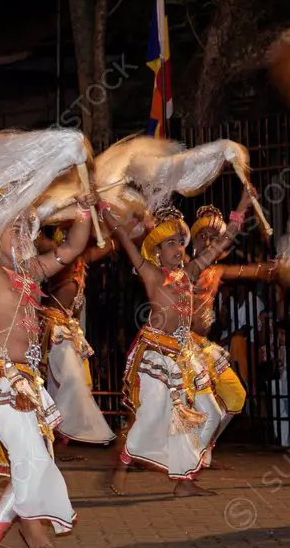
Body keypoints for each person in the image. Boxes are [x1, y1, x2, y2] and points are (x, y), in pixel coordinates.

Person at [0, 189, 95, 548]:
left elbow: (74, 246)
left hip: (26, 379)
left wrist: (81, 209)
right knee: (33, 459)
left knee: (36, 458)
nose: (22, 236)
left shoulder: (32, 272)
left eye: (25, 230)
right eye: (12, 229)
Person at [104, 187, 252, 497]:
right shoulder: (151, 274)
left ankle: (184, 479)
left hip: (185, 355)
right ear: (157, 250)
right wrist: (103, 208)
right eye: (170, 243)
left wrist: (243, 203)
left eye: (180, 243)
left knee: (210, 412)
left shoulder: (190, 273)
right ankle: (121, 465)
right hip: (157, 352)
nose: (177, 248)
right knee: (150, 415)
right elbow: (121, 237)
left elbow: (226, 239)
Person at [188, 204, 279, 465]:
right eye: (203, 235)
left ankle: (204, 447)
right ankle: (167, 453)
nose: (209, 241)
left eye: (215, 238)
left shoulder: (215, 271)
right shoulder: (184, 267)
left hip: (204, 347)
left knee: (235, 394)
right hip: (181, 348)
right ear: (192, 240)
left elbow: (251, 271)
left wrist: (273, 268)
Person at [37, 227, 117, 451]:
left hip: (68, 326)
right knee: (71, 378)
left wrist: (116, 224)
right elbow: (39, 241)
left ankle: (56, 430)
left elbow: (109, 244)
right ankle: (70, 428)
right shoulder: (57, 258)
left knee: (63, 381)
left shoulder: (81, 259)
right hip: (54, 327)